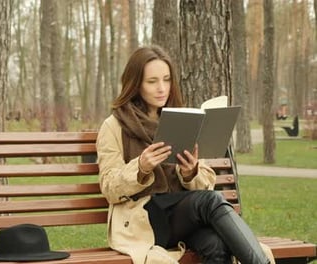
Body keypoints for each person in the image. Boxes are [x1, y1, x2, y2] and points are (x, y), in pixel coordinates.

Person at [96, 45, 275, 264]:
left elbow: (203, 183)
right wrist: (141, 168)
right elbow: (109, 187)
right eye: (152, 81)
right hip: (144, 218)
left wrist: (190, 173)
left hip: (181, 218)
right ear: (136, 84)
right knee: (209, 201)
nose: (162, 88)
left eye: (166, 79)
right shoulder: (114, 126)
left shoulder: (181, 119)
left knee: (216, 246)